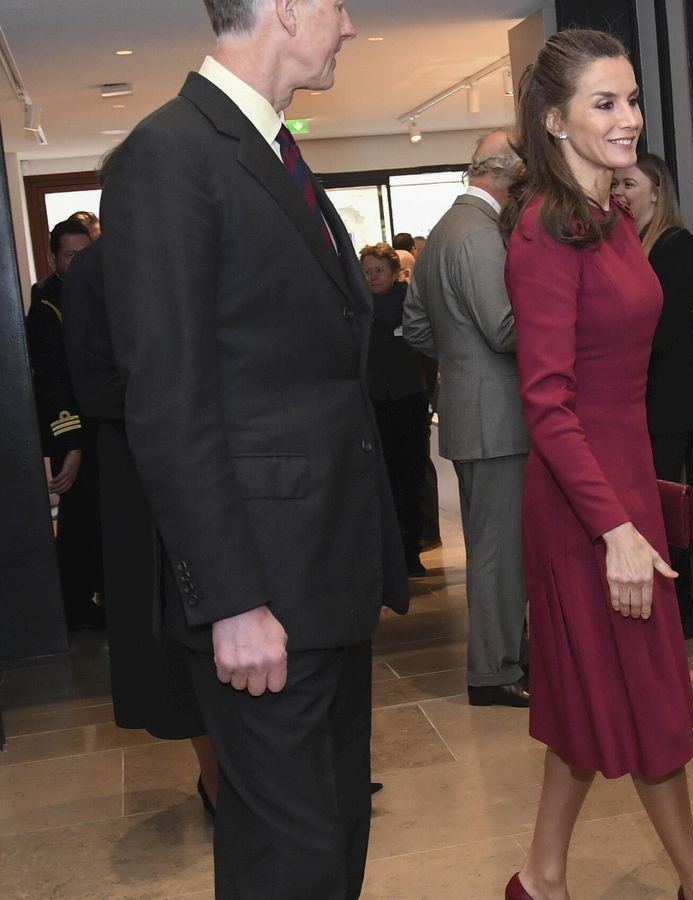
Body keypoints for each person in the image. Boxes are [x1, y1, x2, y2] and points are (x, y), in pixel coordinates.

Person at [99, 0, 411, 895]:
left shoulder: (273, 150)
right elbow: (168, 401)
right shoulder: (171, 154)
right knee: (300, 857)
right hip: (263, 590)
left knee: (316, 842)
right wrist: (229, 599)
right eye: (339, 6)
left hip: (323, 576)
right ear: (285, 7)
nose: (348, 27)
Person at [500, 28, 693, 900]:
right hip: (584, 507)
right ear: (554, 120)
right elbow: (547, 407)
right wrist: (617, 529)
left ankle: (540, 878)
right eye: (605, 102)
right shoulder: (545, 234)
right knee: (648, 706)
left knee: (604, 700)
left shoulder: (607, 215)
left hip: (621, 486)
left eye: (631, 99)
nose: (629, 117)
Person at [60, 202, 219, 816]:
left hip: (210, 454)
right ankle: (216, 781)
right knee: (176, 629)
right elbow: (93, 384)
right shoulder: (96, 270)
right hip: (139, 465)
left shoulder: (188, 247)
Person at [404, 129, 532, 708]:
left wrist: (459, 364)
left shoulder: (439, 235)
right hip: (496, 416)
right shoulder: (480, 234)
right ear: (506, 176)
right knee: (497, 552)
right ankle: (495, 670)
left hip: (467, 407)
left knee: (494, 547)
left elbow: (417, 328)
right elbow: (504, 329)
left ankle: (505, 658)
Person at [612, 151, 693, 637]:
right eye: (617, 186)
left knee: (665, 506)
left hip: (663, 403)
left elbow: (661, 328)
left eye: (629, 184)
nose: (621, 194)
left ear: (656, 190)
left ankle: (679, 609)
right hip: (630, 404)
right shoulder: (620, 244)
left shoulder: (676, 246)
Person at [25, 216, 103, 631]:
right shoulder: (47, 306)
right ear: (54, 258)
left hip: (105, 425)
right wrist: (71, 446)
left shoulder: (99, 291)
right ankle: (76, 606)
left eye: (85, 253)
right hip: (73, 429)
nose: (79, 262)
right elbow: (53, 380)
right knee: (80, 520)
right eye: (71, 256)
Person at [362, 242, 433, 577]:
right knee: (384, 482)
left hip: (409, 401)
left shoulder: (412, 306)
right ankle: (389, 557)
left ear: (393, 273)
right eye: (368, 272)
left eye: (379, 270)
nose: (374, 277)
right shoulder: (358, 312)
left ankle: (411, 553)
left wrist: (428, 395)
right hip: (375, 406)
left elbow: (427, 353)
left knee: (411, 479)